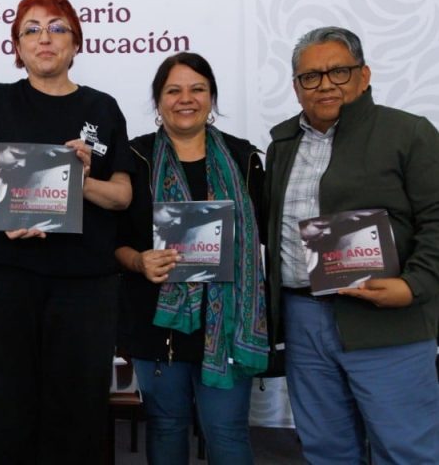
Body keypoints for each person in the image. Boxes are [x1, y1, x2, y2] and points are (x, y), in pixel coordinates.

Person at [0, 0, 134, 465]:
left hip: (84, 283)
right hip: (5, 275)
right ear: (17, 46)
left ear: (75, 43)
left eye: (58, 28)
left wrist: (79, 181)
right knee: (4, 404)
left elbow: (122, 194)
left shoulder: (103, 108)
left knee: (77, 408)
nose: (45, 38)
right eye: (32, 30)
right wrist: (9, 205)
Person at [264, 26, 439, 464]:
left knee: (404, 450)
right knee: (325, 449)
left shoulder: (409, 133)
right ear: (296, 87)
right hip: (303, 319)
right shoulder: (282, 144)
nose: (325, 84)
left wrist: (413, 285)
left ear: (364, 75)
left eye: (338, 71)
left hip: (387, 321)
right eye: (310, 76)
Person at [115, 52, 269, 465]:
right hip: (158, 323)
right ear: (158, 100)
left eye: (197, 89)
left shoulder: (244, 158)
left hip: (229, 323)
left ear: (212, 97)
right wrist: (139, 261)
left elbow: (265, 234)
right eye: (174, 90)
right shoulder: (134, 158)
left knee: (227, 431)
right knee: (166, 427)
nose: (186, 99)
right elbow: (112, 241)